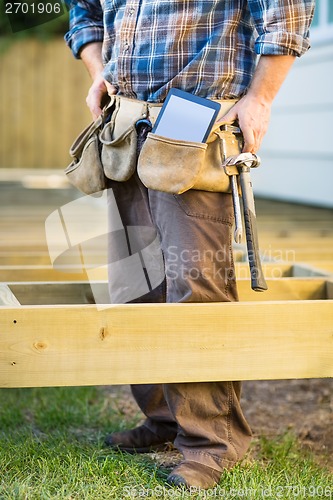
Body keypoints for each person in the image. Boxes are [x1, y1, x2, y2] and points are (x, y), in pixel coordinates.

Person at [65, 0, 314, 489]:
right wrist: (99, 70)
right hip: (125, 127)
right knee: (135, 285)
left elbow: (286, 11)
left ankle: (211, 442)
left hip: (196, 129)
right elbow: (85, 12)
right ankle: (164, 418)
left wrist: (261, 98)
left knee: (195, 288)